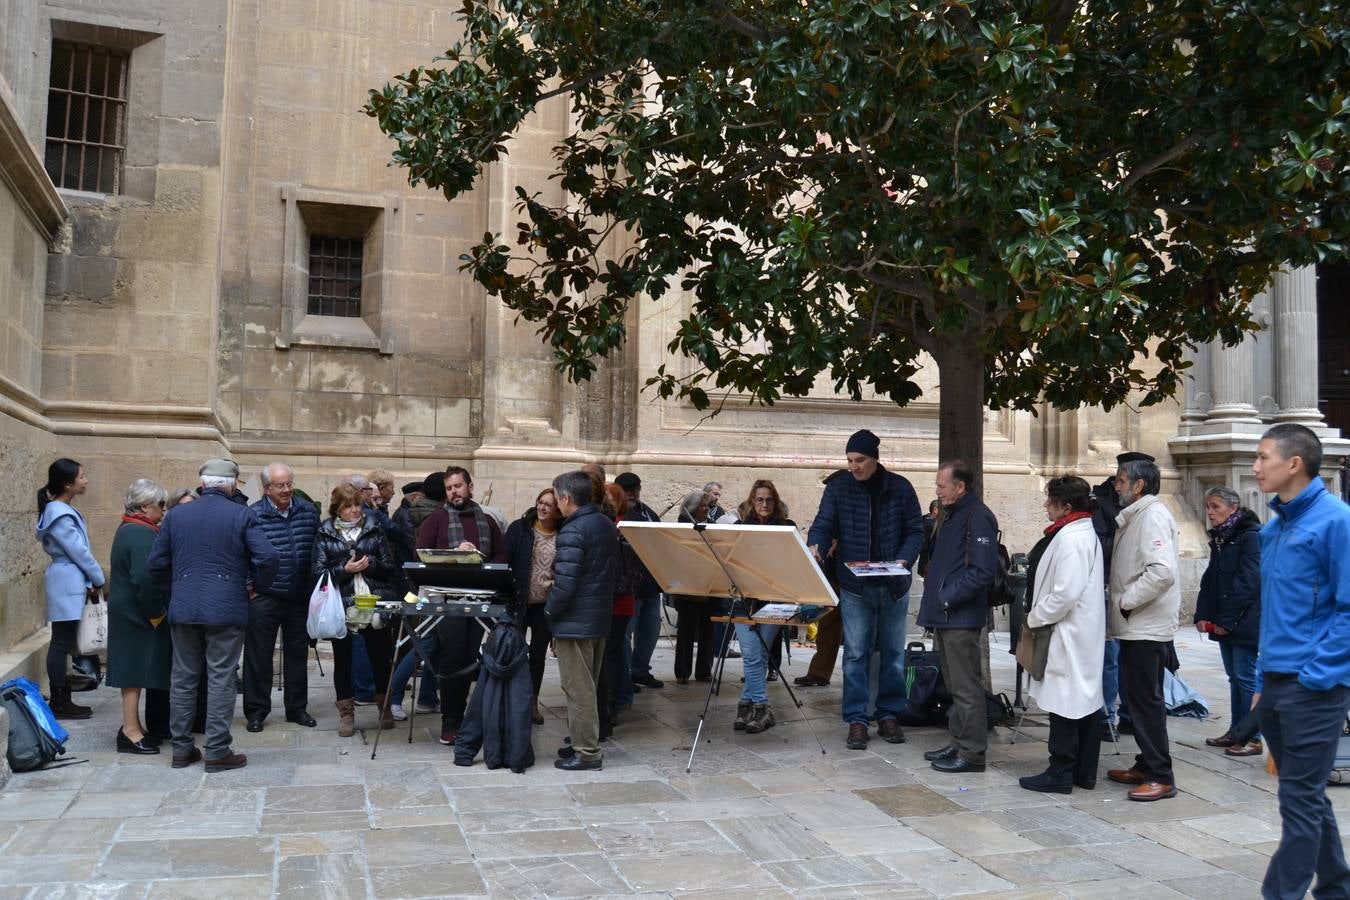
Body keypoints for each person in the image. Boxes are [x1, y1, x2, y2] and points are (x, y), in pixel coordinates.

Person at [1251, 423, 1350, 899]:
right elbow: (1273, 612)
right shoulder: (1273, 529)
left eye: (1263, 457)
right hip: (1275, 683)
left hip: (1314, 688)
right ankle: (1336, 886)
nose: (1255, 467)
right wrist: (1258, 677)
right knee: (1306, 794)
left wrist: (1317, 675)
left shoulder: (1337, 521)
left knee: (1298, 800)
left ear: (1294, 463)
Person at [148, 458, 278, 772]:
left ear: (203, 484)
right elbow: (269, 557)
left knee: (183, 677)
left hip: (185, 605)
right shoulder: (242, 514)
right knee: (221, 677)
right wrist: (255, 587)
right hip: (226, 606)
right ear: (232, 486)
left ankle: (181, 749)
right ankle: (217, 750)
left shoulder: (176, 515)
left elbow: (155, 564)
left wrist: (176, 590)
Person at [807, 429, 924, 751]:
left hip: (893, 585)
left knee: (893, 655)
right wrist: (815, 545)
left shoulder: (900, 488)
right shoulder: (838, 488)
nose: (854, 466)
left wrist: (904, 558)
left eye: (859, 460)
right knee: (856, 654)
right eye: (849, 460)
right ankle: (856, 720)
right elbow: (823, 523)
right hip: (855, 586)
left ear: (874, 459)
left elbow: (915, 531)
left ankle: (889, 714)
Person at [1017, 476, 1105, 793]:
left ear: (1065, 505)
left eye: (1049, 500)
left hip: (1067, 630)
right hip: (1077, 630)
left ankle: (1062, 770)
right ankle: (1083, 770)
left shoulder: (1072, 538)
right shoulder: (1077, 533)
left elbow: (1065, 593)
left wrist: (1035, 617)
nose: (1045, 506)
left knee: (1065, 701)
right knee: (1081, 698)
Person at [1104, 455, 1181, 801]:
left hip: (1145, 627)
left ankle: (1161, 776)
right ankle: (1146, 763)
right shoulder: (1139, 515)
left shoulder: (1150, 516)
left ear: (1139, 485)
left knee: (1146, 702)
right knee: (1138, 700)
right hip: (1138, 625)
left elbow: (1162, 572)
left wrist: (1126, 601)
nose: (1116, 486)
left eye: (1121, 481)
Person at [918, 460, 1000, 772]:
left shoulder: (978, 516)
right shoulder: (954, 514)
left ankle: (972, 753)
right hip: (946, 615)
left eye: (941, 485)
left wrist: (948, 597)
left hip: (960, 616)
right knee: (953, 685)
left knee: (966, 687)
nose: (937, 491)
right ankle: (958, 742)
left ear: (960, 486)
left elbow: (982, 571)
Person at [418, 466, 507, 746]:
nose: (454, 491)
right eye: (449, 488)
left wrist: (481, 559)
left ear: (470, 486)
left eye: (458, 486)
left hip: (479, 597)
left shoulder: (487, 520)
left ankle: (467, 715)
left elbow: (501, 554)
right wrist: (453, 555)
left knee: (470, 657)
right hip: (449, 599)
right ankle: (450, 718)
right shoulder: (437, 519)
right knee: (453, 655)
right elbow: (421, 554)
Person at [313, 483, 399, 736]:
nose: (354, 511)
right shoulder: (325, 533)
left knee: (380, 659)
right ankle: (346, 714)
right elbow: (317, 574)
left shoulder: (375, 529)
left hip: (374, 601)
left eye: (357, 506)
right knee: (343, 661)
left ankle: (384, 708)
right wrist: (345, 570)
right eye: (348, 506)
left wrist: (370, 564)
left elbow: (389, 568)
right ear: (336, 509)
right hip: (343, 605)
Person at [547, 471, 618, 771]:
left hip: (575, 622)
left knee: (579, 689)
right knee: (587, 686)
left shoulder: (573, 531)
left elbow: (565, 584)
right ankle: (581, 741)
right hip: (598, 618)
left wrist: (549, 612)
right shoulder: (603, 523)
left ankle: (587, 752)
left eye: (557, 497)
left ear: (566, 498)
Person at [242, 462, 320, 733]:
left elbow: (315, 549)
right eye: (280, 485)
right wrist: (250, 587)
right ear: (267, 488)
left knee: (298, 655)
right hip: (265, 596)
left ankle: (297, 708)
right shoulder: (252, 515)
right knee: (258, 656)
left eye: (289, 483)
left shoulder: (308, 512)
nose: (287, 489)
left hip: (299, 596)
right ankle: (256, 711)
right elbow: (241, 555)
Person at [1193, 485, 1263, 757]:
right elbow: (1211, 578)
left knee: (1245, 677)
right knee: (1234, 677)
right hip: (1226, 619)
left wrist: (1226, 620)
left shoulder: (1249, 536)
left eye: (1215, 507)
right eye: (1208, 506)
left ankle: (1252, 737)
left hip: (1244, 620)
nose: (1209, 512)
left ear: (1233, 508)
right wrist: (1202, 614)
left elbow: (1249, 582)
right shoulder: (1222, 537)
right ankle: (1237, 731)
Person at [35, 458, 106, 720]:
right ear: (68, 484)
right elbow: (78, 551)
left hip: (68, 579)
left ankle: (62, 698)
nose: (86, 480)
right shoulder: (60, 512)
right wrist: (97, 577)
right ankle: (60, 701)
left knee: (62, 641)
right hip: (67, 580)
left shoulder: (59, 509)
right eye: (82, 476)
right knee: (61, 642)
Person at [106, 479, 172, 753]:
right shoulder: (141, 533)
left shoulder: (131, 528)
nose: (164, 510)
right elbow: (145, 579)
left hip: (129, 610)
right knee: (133, 672)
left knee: (134, 671)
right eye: (160, 505)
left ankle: (133, 727)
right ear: (145, 507)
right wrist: (156, 613)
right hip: (137, 613)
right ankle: (130, 731)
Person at [732, 480, 796, 734]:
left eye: (769, 499)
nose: (764, 504)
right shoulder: (740, 527)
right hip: (742, 600)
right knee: (752, 654)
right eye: (759, 499)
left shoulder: (786, 527)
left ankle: (753, 705)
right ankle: (755, 705)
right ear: (752, 501)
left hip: (774, 600)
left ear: (776, 501)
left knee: (757, 652)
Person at [1094, 451, 1147, 739]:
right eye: (1120, 479)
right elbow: (1100, 546)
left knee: (1132, 659)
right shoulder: (1103, 504)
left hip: (1134, 593)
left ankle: (1128, 714)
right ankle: (1108, 715)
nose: (1119, 485)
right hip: (1111, 589)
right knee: (1111, 656)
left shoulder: (1149, 511)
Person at [504, 487, 561, 725]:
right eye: (540, 502)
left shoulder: (563, 533)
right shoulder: (520, 529)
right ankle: (510, 701)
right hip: (519, 601)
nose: (543, 507)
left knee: (537, 656)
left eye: (548, 504)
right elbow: (505, 560)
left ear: (558, 509)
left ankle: (532, 703)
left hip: (545, 605)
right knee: (513, 652)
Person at [615, 472, 665, 692]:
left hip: (650, 584)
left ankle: (640, 670)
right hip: (628, 586)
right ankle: (625, 675)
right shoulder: (614, 514)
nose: (632, 493)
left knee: (649, 631)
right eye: (627, 490)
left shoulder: (647, 513)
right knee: (626, 634)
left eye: (635, 488)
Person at [598, 483, 636, 736]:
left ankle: (609, 709)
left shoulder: (620, 527)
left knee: (610, 657)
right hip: (616, 601)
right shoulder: (612, 525)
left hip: (618, 601)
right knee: (612, 655)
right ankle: (612, 704)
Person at [673, 490, 716, 684]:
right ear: (692, 508)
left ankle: (704, 671)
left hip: (709, 583)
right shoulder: (683, 526)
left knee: (708, 631)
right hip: (689, 584)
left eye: (707, 505)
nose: (707, 509)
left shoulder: (710, 526)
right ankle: (682, 672)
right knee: (686, 631)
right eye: (703, 505)